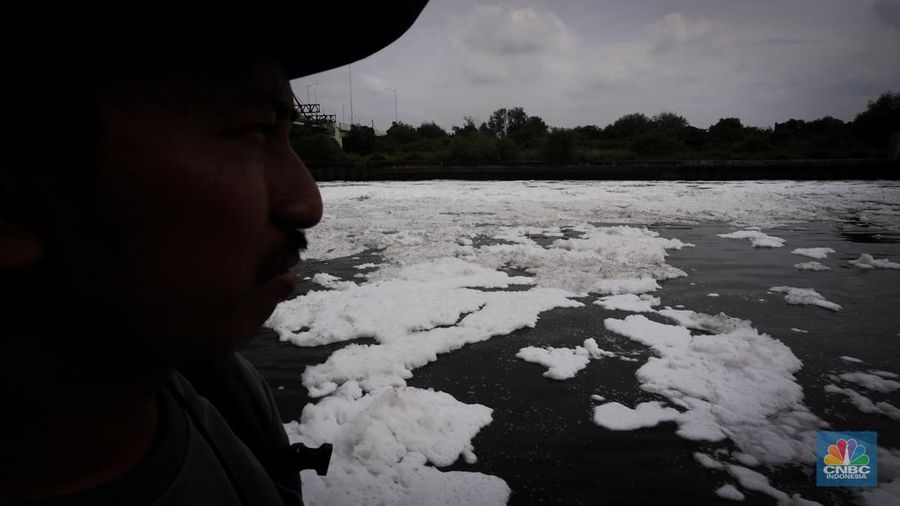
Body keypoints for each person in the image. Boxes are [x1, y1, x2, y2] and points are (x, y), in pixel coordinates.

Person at [0, 2, 428, 504]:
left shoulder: (225, 388)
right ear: (12, 207)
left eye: (287, 136)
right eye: (251, 130)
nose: (308, 203)